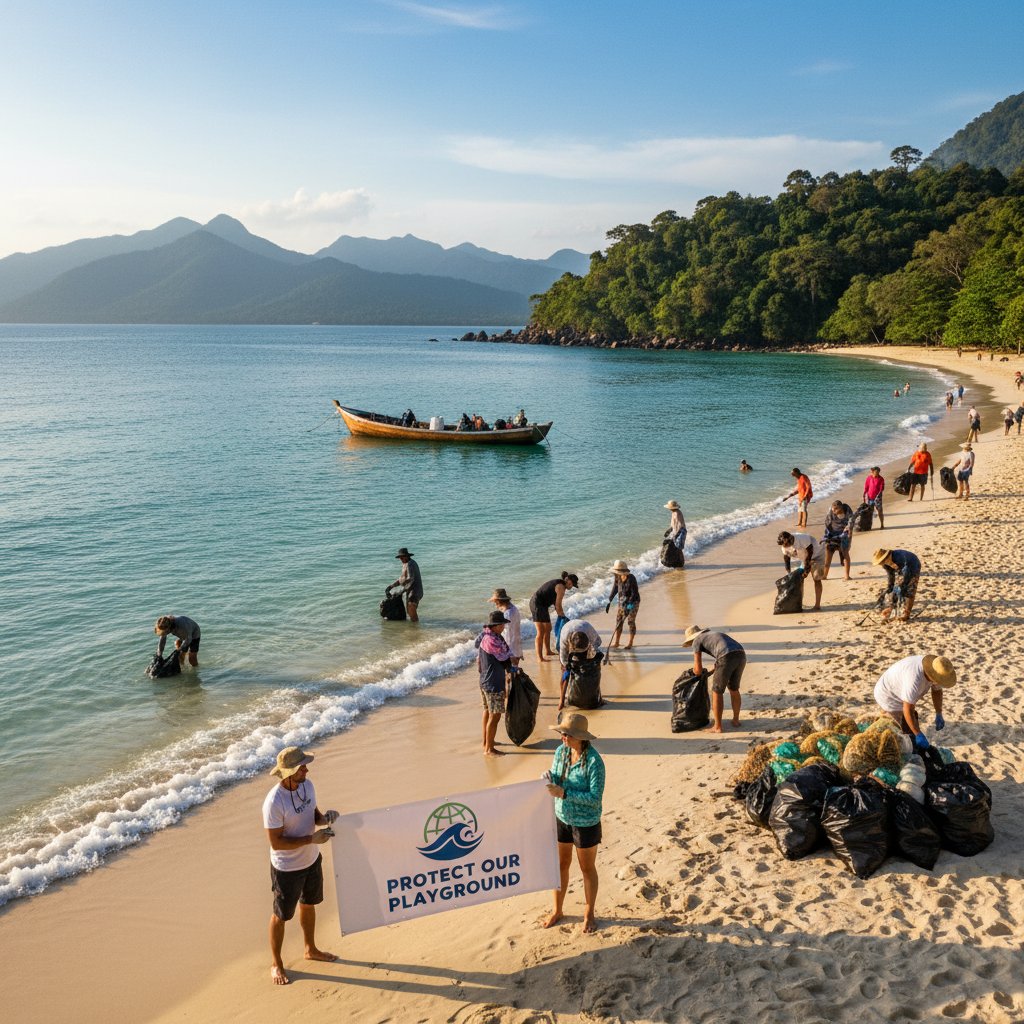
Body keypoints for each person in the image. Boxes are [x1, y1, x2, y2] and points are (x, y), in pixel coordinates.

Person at [263, 746, 338, 985]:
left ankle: (311, 949)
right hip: (286, 868)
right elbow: (275, 843)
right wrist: (310, 839)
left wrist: (326, 818)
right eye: (301, 766)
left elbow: (313, 816)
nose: (306, 768)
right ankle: (276, 964)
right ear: (289, 772)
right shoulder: (274, 802)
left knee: (309, 904)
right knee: (281, 915)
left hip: (311, 860)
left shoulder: (308, 785)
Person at [544, 712, 605, 934]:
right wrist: (549, 777)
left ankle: (589, 913)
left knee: (586, 869)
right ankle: (557, 909)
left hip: (585, 822)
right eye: (561, 733)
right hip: (561, 817)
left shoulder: (594, 762)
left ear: (580, 737)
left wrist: (564, 793)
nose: (562, 737)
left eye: (567, 734)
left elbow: (595, 798)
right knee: (560, 865)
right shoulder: (560, 752)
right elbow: (558, 779)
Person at [873, 655, 957, 749]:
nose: (939, 682)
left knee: (911, 724)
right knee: (902, 735)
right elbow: (907, 708)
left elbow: (937, 691)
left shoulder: (936, 667)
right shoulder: (914, 680)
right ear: (932, 675)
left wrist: (939, 712)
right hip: (888, 695)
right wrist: (918, 734)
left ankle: (890, 719)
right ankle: (886, 718)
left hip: (901, 689)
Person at [682, 625, 745, 732]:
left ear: (692, 638)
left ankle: (718, 727)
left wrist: (692, 675)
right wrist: (711, 671)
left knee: (717, 691)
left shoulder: (697, 640)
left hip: (725, 656)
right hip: (741, 654)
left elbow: (697, 670)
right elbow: (723, 654)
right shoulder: (714, 634)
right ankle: (736, 720)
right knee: (734, 689)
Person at [476, 610, 515, 756]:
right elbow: (505, 660)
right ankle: (489, 749)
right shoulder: (493, 641)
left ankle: (486, 741)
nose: (504, 627)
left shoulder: (484, 637)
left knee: (487, 711)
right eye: (502, 625)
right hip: (493, 683)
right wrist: (511, 671)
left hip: (484, 680)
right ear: (496, 626)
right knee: (496, 715)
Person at [530, 572, 578, 662]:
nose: (571, 587)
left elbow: (557, 606)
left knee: (548, 628)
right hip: (537, 604)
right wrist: (563, 617)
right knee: (540, 632)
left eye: (573, 585)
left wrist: (562, 616)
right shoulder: (561, 587)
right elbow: (558, 605)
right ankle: (540, 658)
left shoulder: (560, 585)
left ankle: (548, 651)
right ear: (567, 580)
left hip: (542, 606)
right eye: (571, 584)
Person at [558, 620, 603, 710]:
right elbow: (564, 662)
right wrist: (561, 700)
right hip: (569, 636)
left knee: (594, 670)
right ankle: (562, 698)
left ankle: (598, 695)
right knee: (564, 670)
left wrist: (592, 661)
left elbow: (598, 643)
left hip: (587, 642)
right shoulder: (564, 639)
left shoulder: (590, 634)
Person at [777, 530, 825, 612]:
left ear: (791, 539)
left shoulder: (802, 539)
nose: (786, 547)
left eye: (787, 545)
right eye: (784, 545)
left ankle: (817, 606)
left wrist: (806, 571)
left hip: (816, 556)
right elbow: (787, 559)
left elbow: (809, 554)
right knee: (798, 580)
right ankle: (799, 605)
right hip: (803, 558)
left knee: (817, 578)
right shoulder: (784, 546)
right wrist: (788, 573)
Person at [872, 547, 922, 622]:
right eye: (880, 562)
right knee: (891, 588)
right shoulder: (885, 564)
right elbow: (891, 578)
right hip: (901, 569)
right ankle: (891, 609)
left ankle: (906, 614)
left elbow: (905, 579)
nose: (881, 564)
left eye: (882, 561)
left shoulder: (900, 558)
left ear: (887, 556)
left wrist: (898, 589)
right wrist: (889, 588)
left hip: (912, 565)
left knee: (909, 589)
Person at [606, 560, 640, 650]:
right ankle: (617, 642)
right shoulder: (617, 576)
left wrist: (629, 606)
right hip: (622, 601)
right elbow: (615, 587)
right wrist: (610, 600)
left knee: (630, 621)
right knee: (619, 621)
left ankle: (630, 642)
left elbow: (634, 594)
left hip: (633, 602)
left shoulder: (631, 579)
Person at [488, 588, 522, 666]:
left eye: (495, 602)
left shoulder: (507, 614)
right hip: (516, 645)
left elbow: (505, 633)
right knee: (514, 671)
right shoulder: (513, 608)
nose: (495, 604)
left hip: (509, 647)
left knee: (509, 672)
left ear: (499, 601)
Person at [822, 499, 854, 580]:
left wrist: (849, 540)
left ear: (840, 508)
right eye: (832, 510)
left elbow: (851, 525)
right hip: (832, 535)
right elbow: (827, 525)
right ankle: (824, 576)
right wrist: (827, 537)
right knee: (828, 556)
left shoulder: (848, 511)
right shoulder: (831, 512)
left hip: (844, 536)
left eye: (835, 510)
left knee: (846, 555)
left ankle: (847, 576)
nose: (833, 512)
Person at [390, 547, 423, 621]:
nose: (401, 559)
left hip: (414, 592)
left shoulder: (410, 564)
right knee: (409, 612)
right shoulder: (406, 564)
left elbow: (410, 578)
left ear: (407, 556)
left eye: (402, 557)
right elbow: (401, 580)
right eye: (400, 558)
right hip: (412, 591)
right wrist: (391, 586)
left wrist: (401, 591)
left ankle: (415, 630)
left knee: (411, 611)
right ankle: (415, 629)